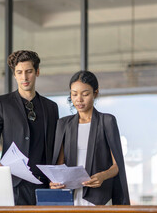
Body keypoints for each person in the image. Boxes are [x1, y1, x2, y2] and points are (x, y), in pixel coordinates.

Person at [0, 50, 59, 205]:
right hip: (15, 183)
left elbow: (57, 146)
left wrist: (58, 175)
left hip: (45, 183)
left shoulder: (51, 107)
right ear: (14, 75)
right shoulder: (2, 103)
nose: (24, 77)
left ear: (37, 72)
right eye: (19, 72)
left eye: (29, 71)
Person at [50, 70, 130, 206]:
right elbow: (60, 165)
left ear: (95, 93)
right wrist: (54, 181)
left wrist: (103, 176)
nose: (79, 99)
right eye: (74, 94)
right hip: (71, 197)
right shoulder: (63, 124)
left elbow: (117, 165)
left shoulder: (107, 121)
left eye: (85, 94)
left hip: (99, 198)